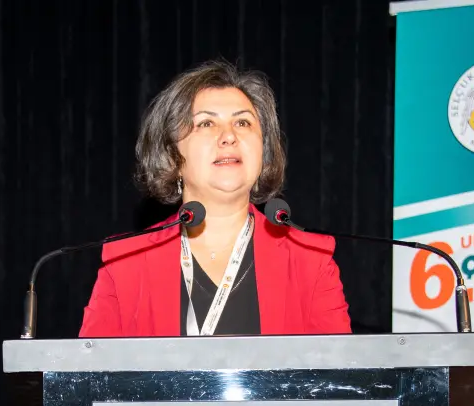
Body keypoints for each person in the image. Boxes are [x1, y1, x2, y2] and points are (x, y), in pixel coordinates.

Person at [79, 60, 352, 337]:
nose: (229, 136)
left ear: (264, 151)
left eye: (243, 122)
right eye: (206, 123)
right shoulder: (125, 262)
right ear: (171, 155)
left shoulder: (311, 261)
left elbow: (340, 365)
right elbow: (90, 365)